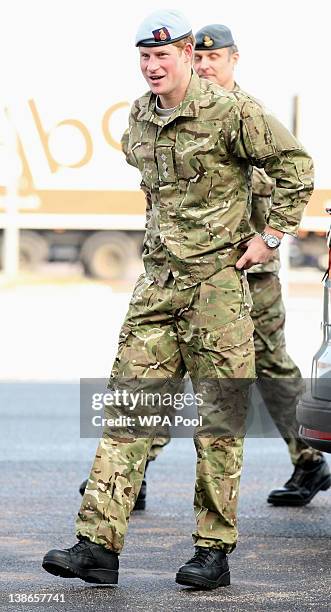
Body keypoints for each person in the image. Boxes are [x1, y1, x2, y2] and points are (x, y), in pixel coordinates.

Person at [42, 9, 315, 590]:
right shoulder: (138, 120)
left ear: (188, 55)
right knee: (127, 413)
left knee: (218, 423)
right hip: (157, 287)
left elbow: (295, 166)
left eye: (162, 56)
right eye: (144, 57)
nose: (151, 66)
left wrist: (269, 237)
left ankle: (212, 553)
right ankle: (97, 545)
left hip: (218, 290)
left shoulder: (232, 112)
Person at [79, 23, 331, 510]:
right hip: (188, 274)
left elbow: (290, 174)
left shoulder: (243, 116)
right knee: (164, 369)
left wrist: (270, 237)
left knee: (270, 367)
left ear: (234, 60)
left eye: (215, 59)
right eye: (201, 60)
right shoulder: (171, 114)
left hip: (250, 271)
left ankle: (306, 460)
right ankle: (133, 474)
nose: (206, 67)